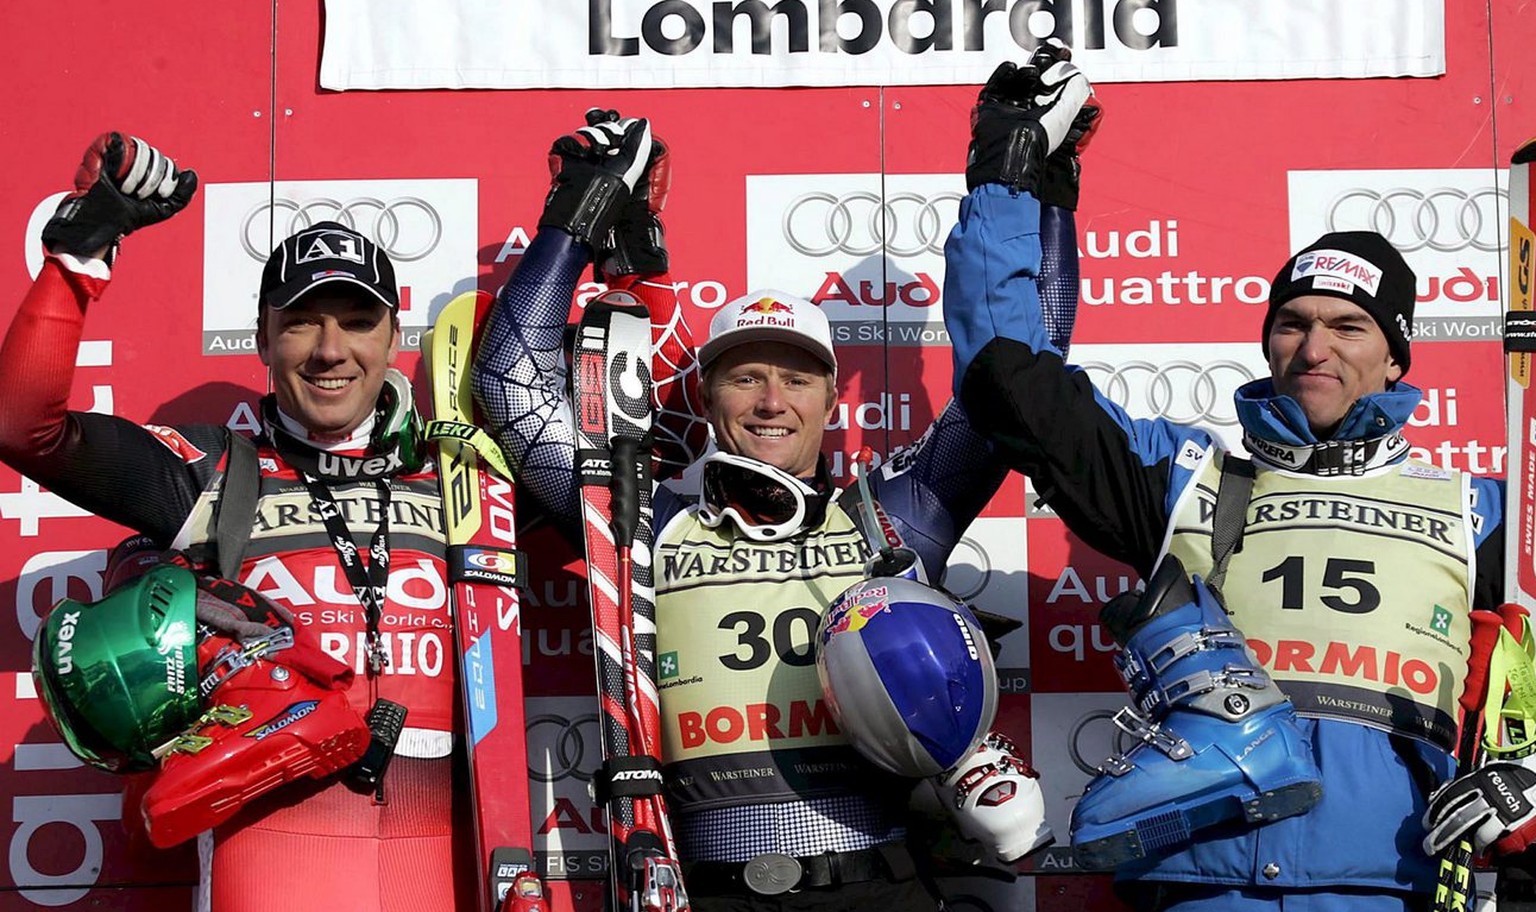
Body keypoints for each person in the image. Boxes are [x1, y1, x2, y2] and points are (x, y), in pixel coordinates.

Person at [471, 96, 1095, 911]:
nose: (771, 401)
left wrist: (1038, 183)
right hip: (704, 892)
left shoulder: (889, 520)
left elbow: (1026, 378)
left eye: (796, 378)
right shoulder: (641, 527)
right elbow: (510, 385)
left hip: (880, 888)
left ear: (832, 399)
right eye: (744, 376)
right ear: (705, 392)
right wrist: (579, 209)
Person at [941, 58, 1517, 912]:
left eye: (1348, 327)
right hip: (1194, 884)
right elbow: (1005, 377)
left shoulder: (1480, 511)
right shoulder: (1188, 479)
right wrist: (1014, 176)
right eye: (1293, 323)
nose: (1315, 348)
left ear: (1396, 356)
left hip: (1386, 885)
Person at [0, 133, 470, 911]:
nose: (329, 350)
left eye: (357, 320)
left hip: (447, 864)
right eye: (299, 323)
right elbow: (22, 426)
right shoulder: (214, 471)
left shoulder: (460, 474)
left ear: (395, 338)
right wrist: (78, 256)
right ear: (260, 338)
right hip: (271, 862)